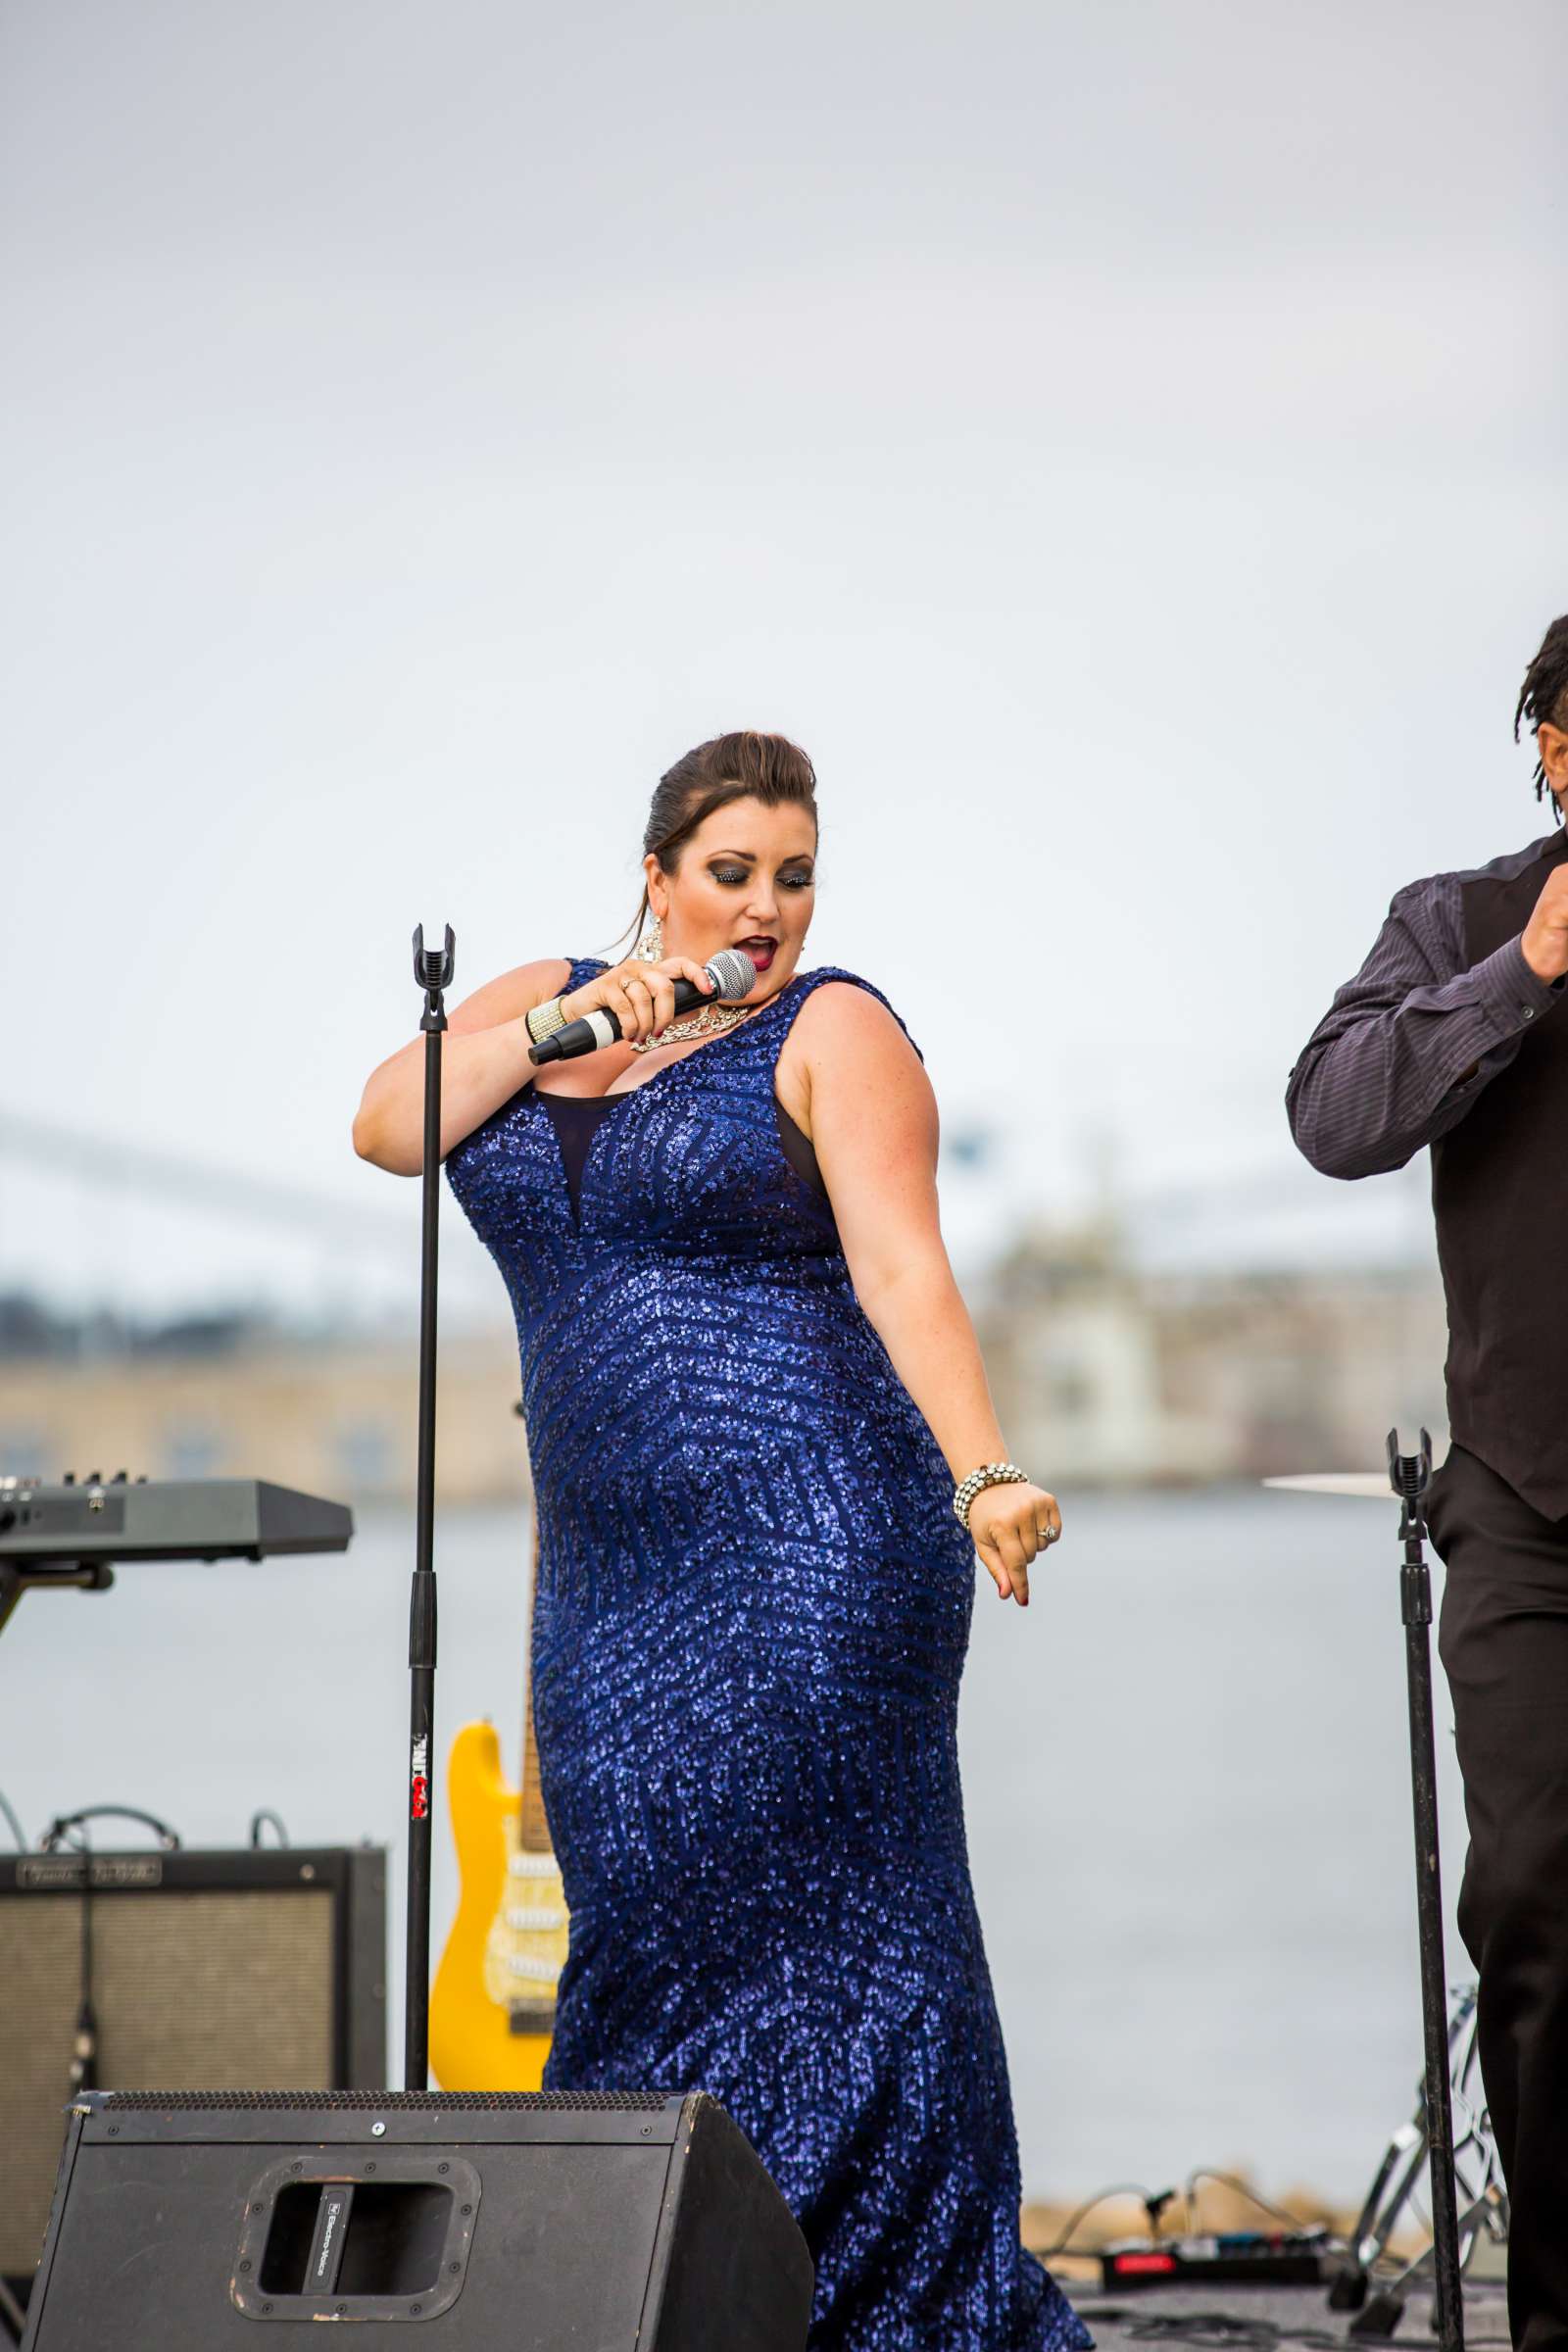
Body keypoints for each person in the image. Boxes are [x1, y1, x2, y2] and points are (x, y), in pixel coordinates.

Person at [353, 730, 1091, 2352]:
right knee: (640, 1931)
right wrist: (573, 1021)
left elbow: (907, 1272)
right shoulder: (548, 1001)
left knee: (849, 1941)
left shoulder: (835, 1030)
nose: (767, 909)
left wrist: (986, 1476)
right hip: (610, 1578)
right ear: (656, 876)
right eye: (733, 874)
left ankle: (894, 2311)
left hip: (819, 1549)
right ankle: (672, 2300)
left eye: (797, 877)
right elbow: (388, 1126)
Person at [1286, 616, 1568, 2352]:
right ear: (1551, 743)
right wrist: (1524, 973)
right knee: (1535, 1909)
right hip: (1528, 1509)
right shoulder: (1459, 920)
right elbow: (1332, 1114)